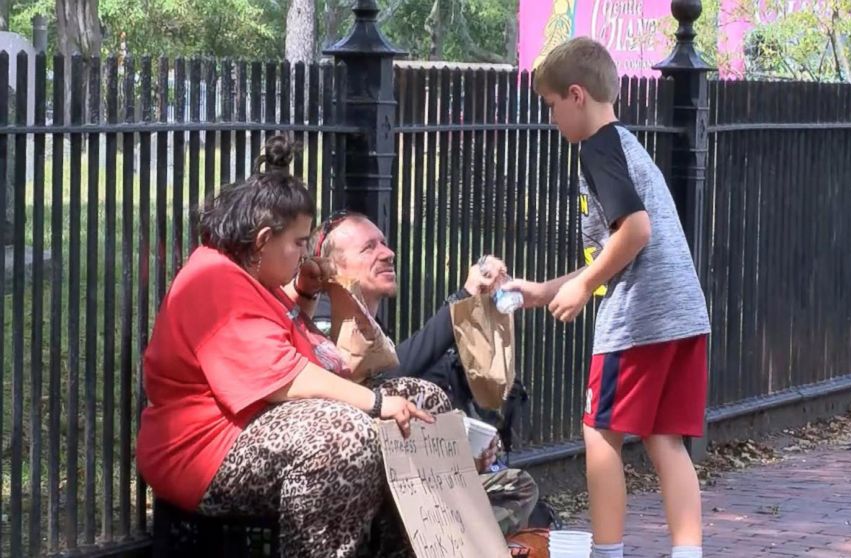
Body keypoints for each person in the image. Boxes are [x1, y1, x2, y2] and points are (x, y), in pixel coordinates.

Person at [136, 135, 447, 558]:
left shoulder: (254, 278)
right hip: (205, 453)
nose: (305, 255)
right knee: (343, 435)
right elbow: (285, 377)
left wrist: (303, 296)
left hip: (259, 429)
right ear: (264, 239)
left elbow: (293, 347)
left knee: (424, 400)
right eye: (300, 243)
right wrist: (375, 403)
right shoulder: (213, 279)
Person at [504, 37, 711, 558]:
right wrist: (543, 292)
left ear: (576, 95)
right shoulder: (625, 145)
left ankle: (607, 552)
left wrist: (582, 284)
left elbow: (634, 232)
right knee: (666, 440)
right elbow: (616, 250)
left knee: (600, 434)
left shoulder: (597, 149)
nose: (551, 119)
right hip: (683, 317)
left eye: (551, 106)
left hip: (640, 319)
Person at [311, 211, 541, 536]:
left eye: (385, 244)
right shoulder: (323, 321)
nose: (387, 253)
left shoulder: (373, 329)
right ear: (330, 267)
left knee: (516, 486)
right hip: (354, 478)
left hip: (407, 473)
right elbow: (392, 378)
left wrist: (465, 449)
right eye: (369, 248)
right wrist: (463, 298)